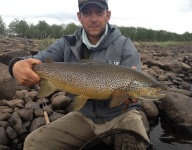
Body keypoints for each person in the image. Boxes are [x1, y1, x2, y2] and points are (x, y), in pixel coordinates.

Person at [8, 0, 151, 149]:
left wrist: (131, 97)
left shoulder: (124, 45)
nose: (93, 18)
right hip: (84, 116)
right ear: (79, 16)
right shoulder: (67, 43)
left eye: (99, 12)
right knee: (34, 143)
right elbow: (34, 61)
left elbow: (136, 87)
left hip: (120, 116)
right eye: (87, 13)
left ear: (108, 15)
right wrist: (15, 65)